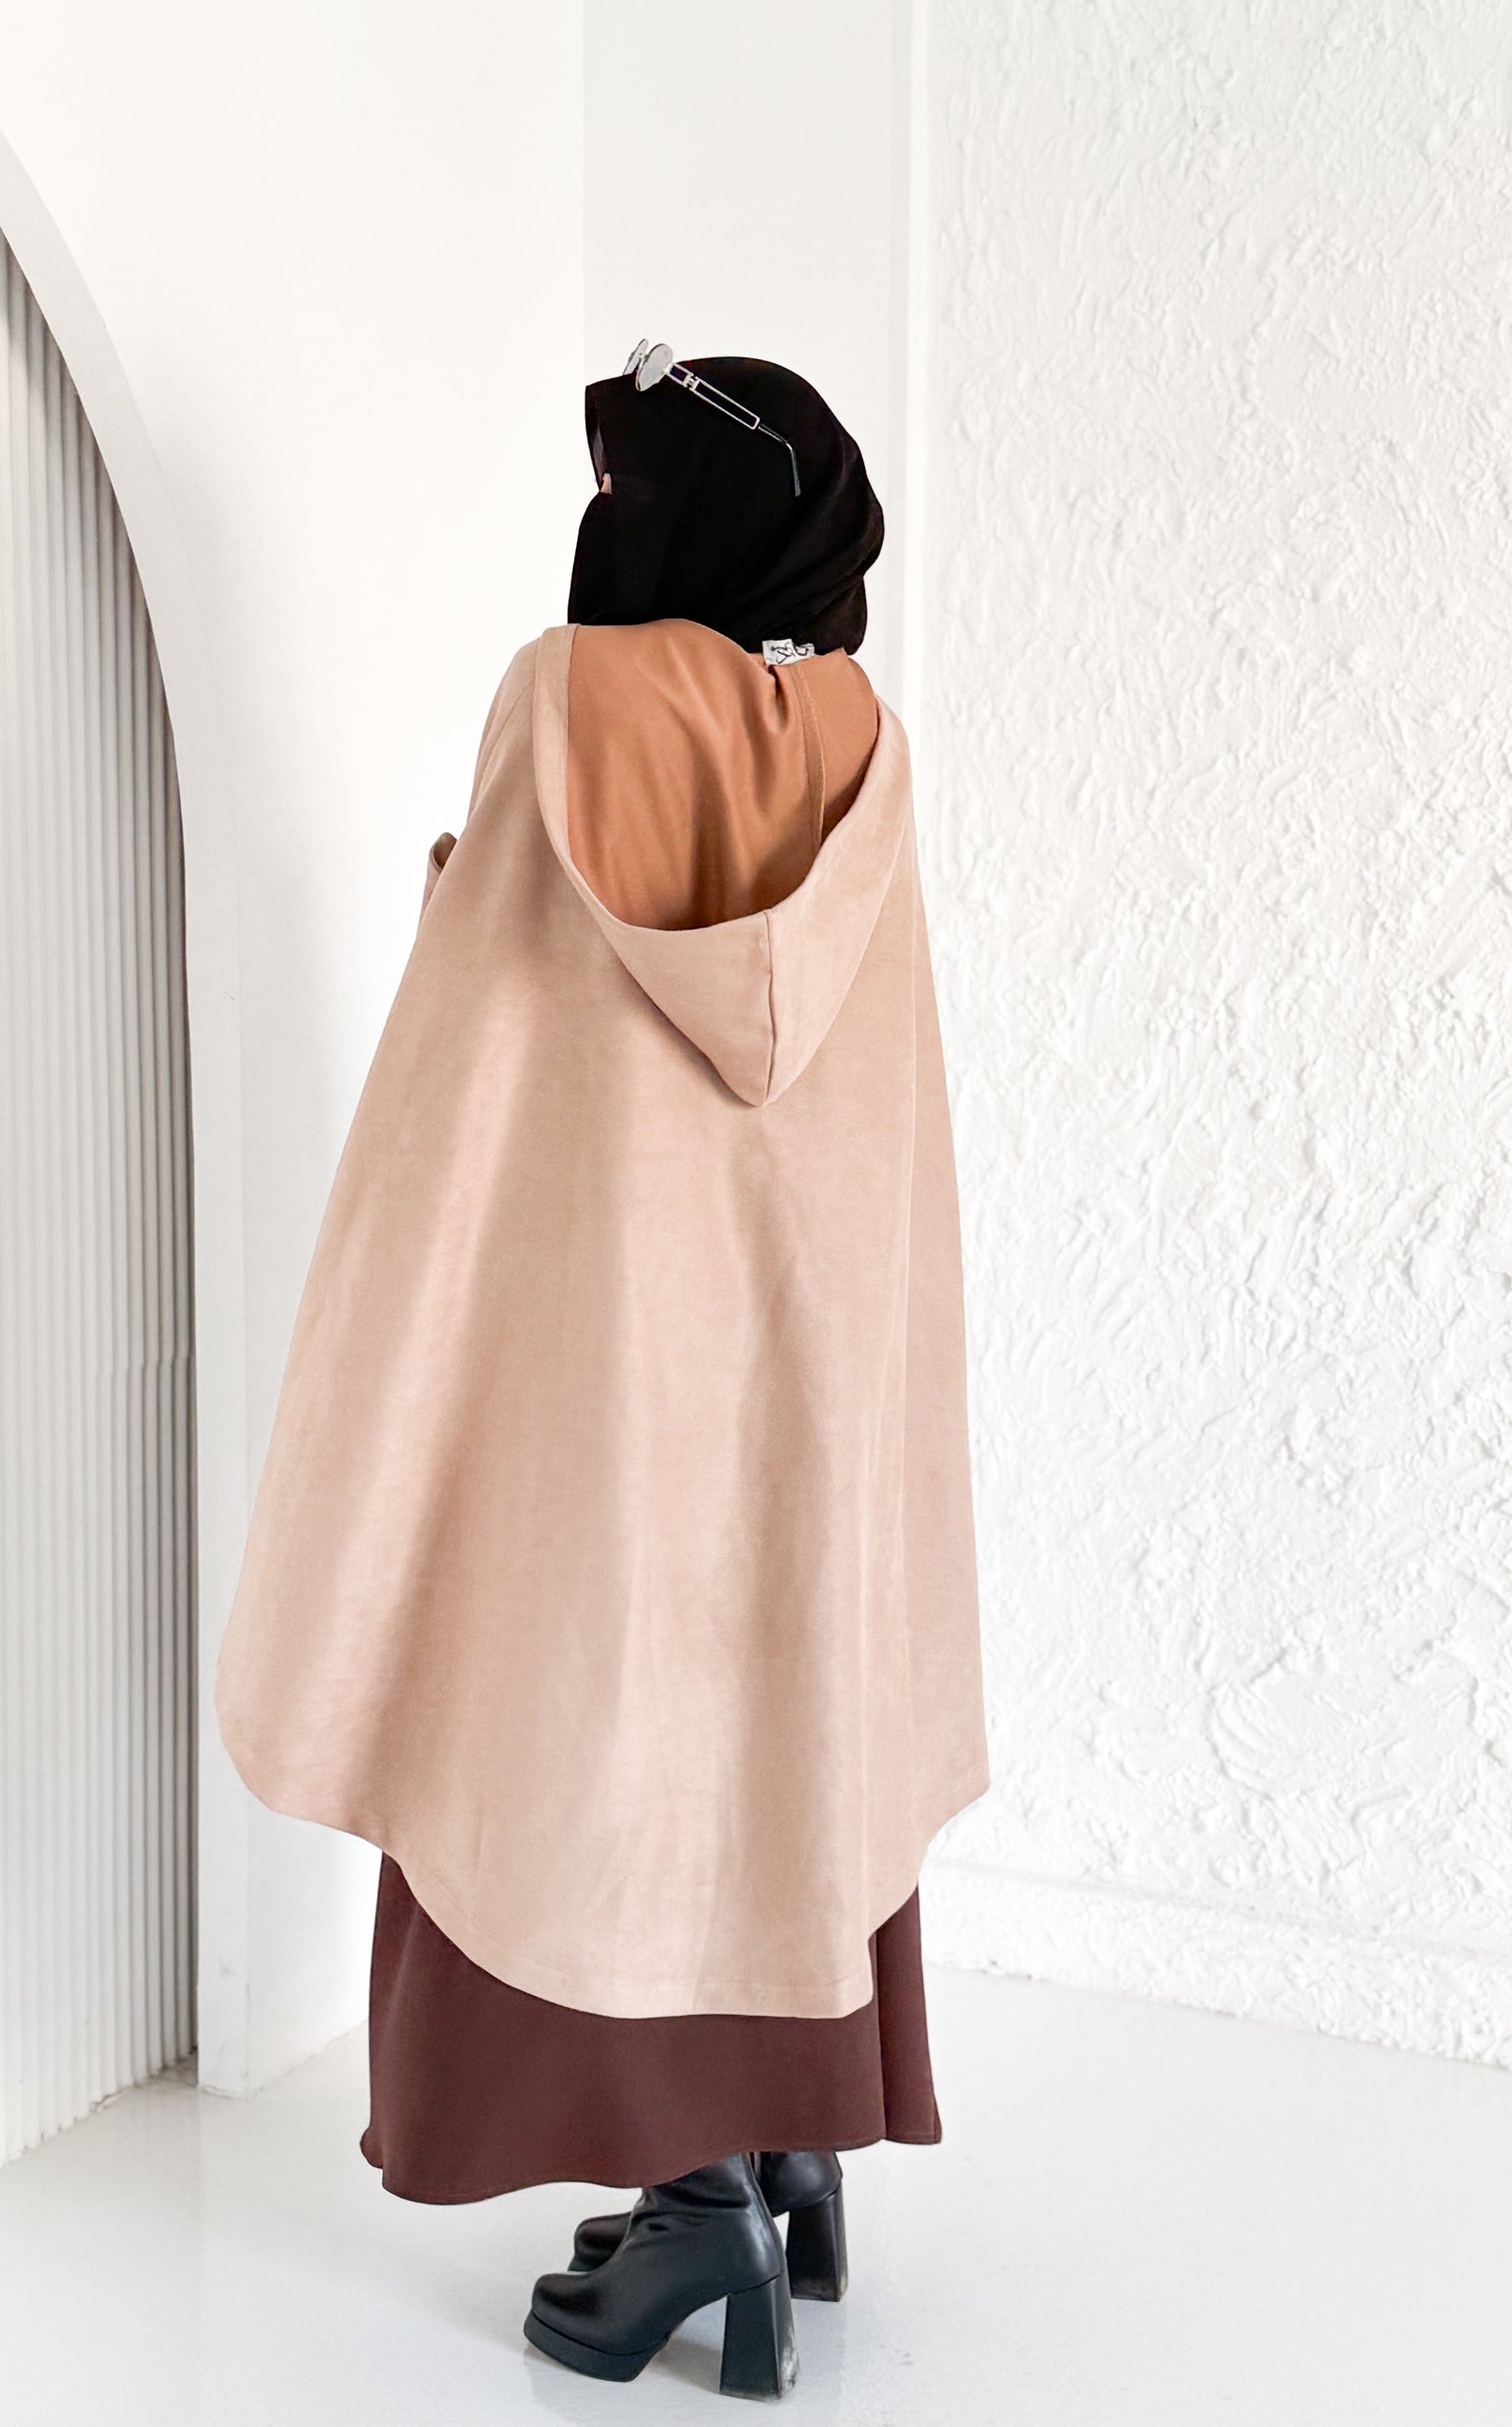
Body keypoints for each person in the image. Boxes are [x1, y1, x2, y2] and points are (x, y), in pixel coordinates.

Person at [215, 347, 988, 2400]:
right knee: (779, 1713)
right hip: (805, 1348)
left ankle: (691, 2202)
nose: (603, 521)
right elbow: (870, 1084)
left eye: (627, 487)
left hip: (608, 1347)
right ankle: (794, 2145)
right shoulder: (863, 735)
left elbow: (480, 1040)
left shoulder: (568, 702)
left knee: (580, 1727)